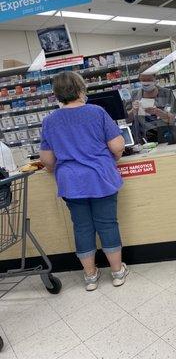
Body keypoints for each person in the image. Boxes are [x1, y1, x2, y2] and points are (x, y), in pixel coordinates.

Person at [39, 71, 129, 291]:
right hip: (100, 177)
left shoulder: (50, 121)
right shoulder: (97, 112)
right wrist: (110, 160)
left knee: (82, 227)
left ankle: (90, 277)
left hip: (71, 182)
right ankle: (117, 272)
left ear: (57, 93)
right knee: (107, 224)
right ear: (81, 88)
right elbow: (117, 146)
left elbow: (47, 160)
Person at [126, 64, 176, 144]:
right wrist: (134, 110)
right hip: (143, 140)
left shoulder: (167, 94)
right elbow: (127, 120)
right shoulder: (135, 95)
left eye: (149, 79)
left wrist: (157, 112)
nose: (146, 83)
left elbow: (171, 119)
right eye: (143, 80)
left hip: (165, 138)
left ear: (155, 78)